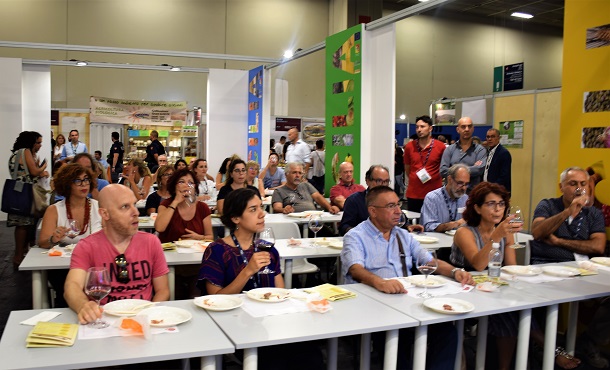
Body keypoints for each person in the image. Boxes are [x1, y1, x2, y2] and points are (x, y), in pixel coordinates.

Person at [341, 185, 474, 370]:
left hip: (406, 302)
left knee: (447, 332)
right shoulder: (356, 236)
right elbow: (355, 269)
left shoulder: (403, 235)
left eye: (398, 205)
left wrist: (454, 272)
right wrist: (379, 282)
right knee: (395, 338)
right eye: (390, 206)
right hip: (373, 306)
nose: (398, 211)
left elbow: (428, 261)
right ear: (373, 211)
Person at [530, 167, 608, 368]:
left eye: (583, 184)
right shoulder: (548, 205)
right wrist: (567, 212)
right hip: (545, 266)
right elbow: (538, 232)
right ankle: (543, 347)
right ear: (561, 186)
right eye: (573, 184)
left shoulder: (593, 213)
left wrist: (558, 242)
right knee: (531, 301)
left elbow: (598, 246)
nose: (579, 189)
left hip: (583, 269)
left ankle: (589, 340)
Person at [64, 185, 170, 325]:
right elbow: (72, 286)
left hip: (143, 319)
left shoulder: (151, 242)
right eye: (125, 207)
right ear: (105, 214)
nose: (136, 212)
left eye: (134, 204)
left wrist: (149, 315)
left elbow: (163, 290)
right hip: (103, 320)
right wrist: (83, 306)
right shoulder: (87, 246)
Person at [38, 163, 103, 307]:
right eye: (77, 181)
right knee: (65, 286)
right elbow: (42, 242)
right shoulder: (54, 210)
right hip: (64, 267)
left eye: (86, 179)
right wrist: (53, 239)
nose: (83, 184)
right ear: (67, 185)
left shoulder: (98, 206)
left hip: (95, 263)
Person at [198, 188, 283, 293]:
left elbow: (280, 292)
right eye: (253, 209)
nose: (262, 214)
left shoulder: (268, 249)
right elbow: (215, 299)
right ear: (235, 218)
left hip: (265, 309)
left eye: (261, 207)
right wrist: (248, 271)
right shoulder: (217, 251)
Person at [339, 165, 423, 235]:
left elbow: (401, 219)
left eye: (386, 181)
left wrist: (408, 226)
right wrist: (360, 234)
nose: (383, 185)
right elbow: (344, 227)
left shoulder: (391, 198)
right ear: (368, 181)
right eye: (379, 181)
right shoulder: (354, 200)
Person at [7, 131, 49, 266]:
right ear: (30, 142)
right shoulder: (25, 151)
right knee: (22, 225)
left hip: (19, 191)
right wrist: (44, 166)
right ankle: (18, 256)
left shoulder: (18, 153)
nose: (40, 145)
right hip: (24, 192)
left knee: (24, 224)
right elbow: (34, 172)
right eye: (38, 142)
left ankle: (21, 253)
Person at [154, 168, 213, 242]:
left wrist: (199, 237)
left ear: (195, 187)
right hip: (170, 252)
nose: (187, 185)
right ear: (174, 186)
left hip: (195, 251)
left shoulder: (202, 207)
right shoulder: (166, 204)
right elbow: (159, 228)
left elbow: (210, 236)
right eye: (181, 182)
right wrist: (175, 202)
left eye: (190, 183)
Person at [403, 115, 446, 213]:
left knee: (434, 224)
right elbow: (407, 169)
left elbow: (443, 168)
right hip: (414, 194)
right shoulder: (410, 147)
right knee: (415, 223)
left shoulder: (440, 146)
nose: (419, 130)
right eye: (417, 127)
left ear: (430, 128)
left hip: (434, 193)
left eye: (422, 127)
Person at [440, 117, 486, 192]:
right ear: (458, 129)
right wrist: (471, 168)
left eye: (469, 126)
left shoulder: (480, 150)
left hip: (472, 194)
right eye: (463, 127)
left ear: (473, 129)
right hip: (452, 194)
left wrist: (453, 169)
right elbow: (443, 171)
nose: (467, 129)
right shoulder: (449, 149)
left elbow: (479, 170)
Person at [272, 162, 339, 214]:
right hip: (293, 223)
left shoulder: (306, 185)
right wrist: (284, 209)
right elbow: (276, 208)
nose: (297, 175)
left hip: (312, 220)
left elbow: (318, 197)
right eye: (294, 173)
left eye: (300, 173)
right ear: (286, 174)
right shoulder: (279, 191)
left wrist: (330, 208)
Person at [420, 164, 470, 232]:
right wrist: (454, 224)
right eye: (460, 183)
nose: (464, 188)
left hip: (459, 239)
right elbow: (429, 226)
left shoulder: (465, 199)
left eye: (466, 184)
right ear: (449, 179)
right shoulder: (432, 198)